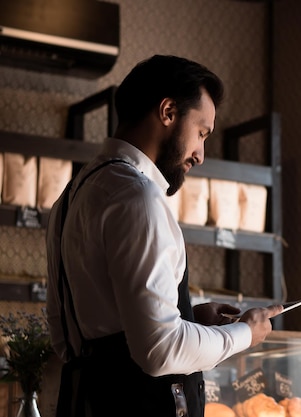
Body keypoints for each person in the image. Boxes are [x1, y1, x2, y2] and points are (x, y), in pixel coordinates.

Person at [45, 55, 283, 417]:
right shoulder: (137, 196)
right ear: (168, 112)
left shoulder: (69, 197)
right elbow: (161, 351)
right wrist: (245, 335)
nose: (200, 155)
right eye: (201, 133)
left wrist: (187, 316)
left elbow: (68, 339)